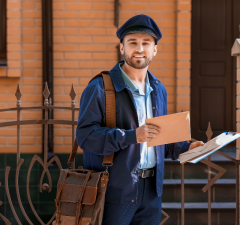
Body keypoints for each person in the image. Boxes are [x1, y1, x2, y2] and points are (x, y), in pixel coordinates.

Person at [76, 14, 204, 225]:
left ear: (154, 49)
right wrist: (130, 136)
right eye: (132, 42)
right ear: (122, 48)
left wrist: (187, 148)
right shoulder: (99, 87)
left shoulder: (158, 89)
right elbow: (85, 136)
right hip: (115, 191)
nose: (139, 48)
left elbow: (159, 138)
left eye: (146, 43)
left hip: (152, 191)